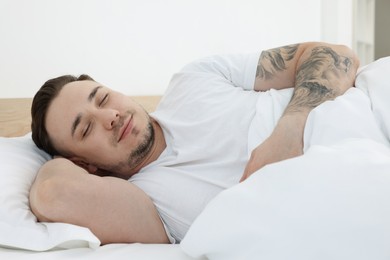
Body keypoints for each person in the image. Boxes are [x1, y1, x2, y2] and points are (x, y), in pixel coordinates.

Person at [29, 42, 359, 244]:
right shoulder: (147, 205)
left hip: (362, 111)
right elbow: (54, 193)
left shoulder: (194, 79)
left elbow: (334, 55)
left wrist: (290, 131)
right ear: (84, 165)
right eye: (86, 129)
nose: (110, 116)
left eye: (102, 98)